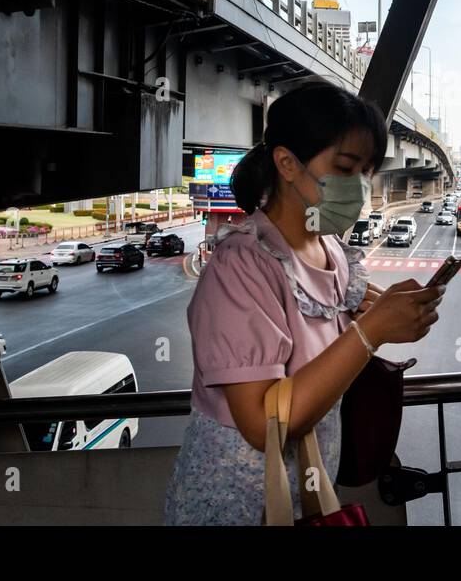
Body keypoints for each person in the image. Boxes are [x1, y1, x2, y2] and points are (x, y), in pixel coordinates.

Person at [164, 79, 444, 525]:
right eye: (346, 168)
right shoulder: (242, 264)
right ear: (287, 163)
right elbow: (262, 423)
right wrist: (369, 334)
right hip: (235, 508)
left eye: (365, 172)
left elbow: (325, 356)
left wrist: (380, 317)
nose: (359, 187)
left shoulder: (331, 250)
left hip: (305, 500)